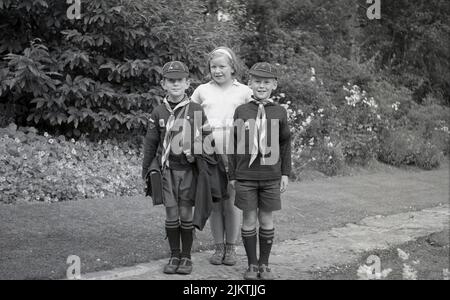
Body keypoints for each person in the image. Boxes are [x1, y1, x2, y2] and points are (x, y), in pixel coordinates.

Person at [142, 61, 210, 275]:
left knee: (185, 213)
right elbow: (151, 143)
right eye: (171, 80)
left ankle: (187, 257)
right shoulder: (158, 112)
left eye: (179, 80)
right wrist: (146, 172)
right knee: (171, 213)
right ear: (163, 84)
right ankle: (174, 255)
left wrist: (195, 151)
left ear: (187, 83)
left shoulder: (196, 110)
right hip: (167, 171)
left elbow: (208, 141)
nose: (175, 84)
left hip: (189, 171)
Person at [228, 62, 291, 280]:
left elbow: (285, 144)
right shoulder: (242, 111)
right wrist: (232, 175)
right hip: (245, 176)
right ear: (250, 83)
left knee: (266, 220)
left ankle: (264, 264)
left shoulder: (280, 112)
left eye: (266, 82)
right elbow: (233, 144)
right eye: (257, 81)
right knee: (248, 220)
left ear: (274, 84)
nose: (261, 86)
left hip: (271, 176)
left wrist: (285, 173)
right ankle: (252, 265)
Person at [191, 46, 253, 266]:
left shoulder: (244, 91)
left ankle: (231, 248)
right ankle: (218, 247)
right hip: (210, 154)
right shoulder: (201, 91)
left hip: (236, 155)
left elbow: (257, 117)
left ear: (232, 67)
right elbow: (189, 116)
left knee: (233, 202)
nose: (217, 71)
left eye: (222, 66)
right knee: (216, 201)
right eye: (213, 67)